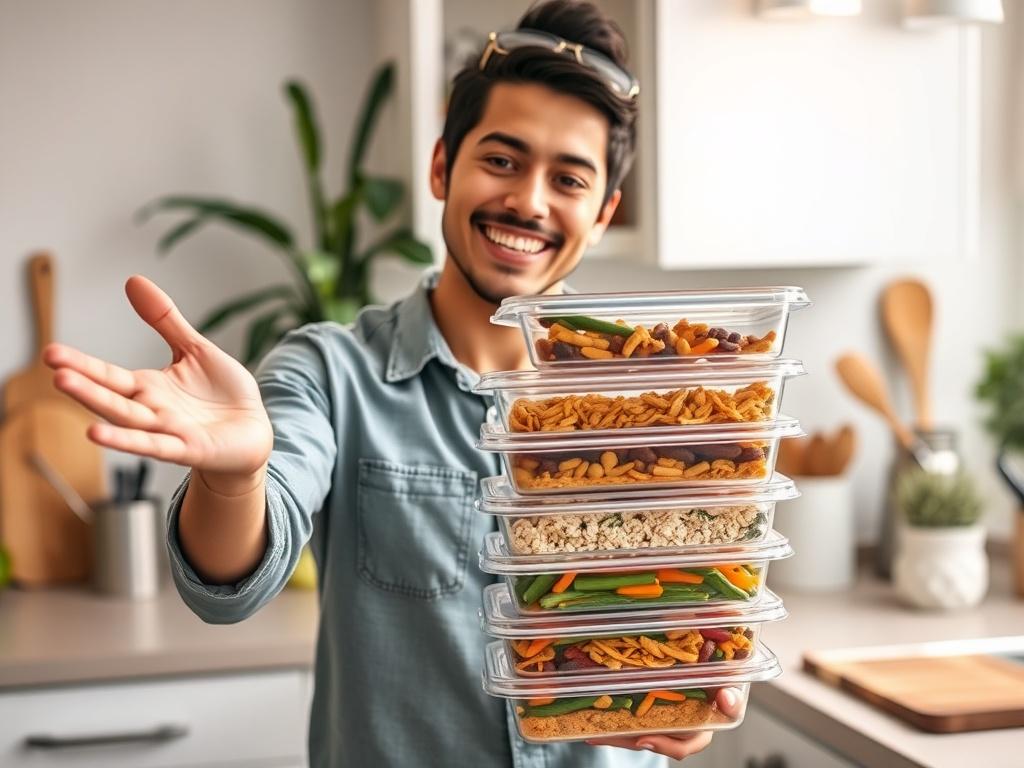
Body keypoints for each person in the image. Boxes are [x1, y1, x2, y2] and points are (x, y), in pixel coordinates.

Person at [44, 1, 740, 765]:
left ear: (603, 212)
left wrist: (697, 696)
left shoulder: (660, 402)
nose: (529, 202)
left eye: (568, 179)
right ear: (443, 165)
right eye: (502, 160)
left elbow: (689, 624)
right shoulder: (330, 373)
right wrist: (235, 478)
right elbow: (228, 586)